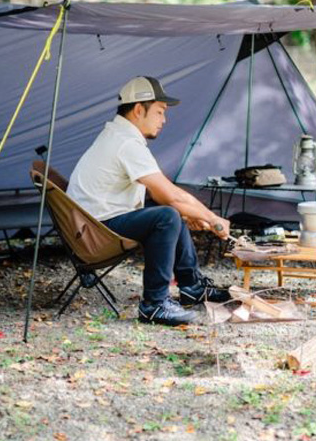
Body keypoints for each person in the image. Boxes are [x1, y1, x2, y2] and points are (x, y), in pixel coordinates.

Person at [67, 76, 232, 326]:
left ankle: (191, 287)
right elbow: (171, 194)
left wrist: (190, 216)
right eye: (159, 112)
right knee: (166, 215)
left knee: (168, 212)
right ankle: (154, 304)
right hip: (95, 232)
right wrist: (212, 218)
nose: (164, 120)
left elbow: (162, 196)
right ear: (137, 110)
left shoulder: (118, 135)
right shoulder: (125, 143)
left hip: (91, 224)